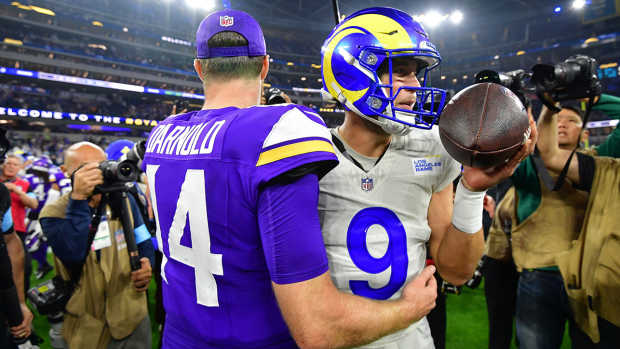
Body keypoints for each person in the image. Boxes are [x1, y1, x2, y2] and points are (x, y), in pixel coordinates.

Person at [143, 9, 440, 349]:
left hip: (180, 339)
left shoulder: (161, 137)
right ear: (265, 65)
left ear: (199, 68)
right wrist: (408, 309)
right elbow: (317, 329)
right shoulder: (279, 131)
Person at [317, 7, 536, 348]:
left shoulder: (431, 148)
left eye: (417, 74)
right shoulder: (308, 153)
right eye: (400, 73)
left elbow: (456, 271)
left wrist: (471, 192)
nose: (416, 86)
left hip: (410, 339)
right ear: (351, 72)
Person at [509, 94, 620, 349]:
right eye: (557, 119)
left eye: (572, 120)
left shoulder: (599, 163)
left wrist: (591, 97)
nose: (562, 123)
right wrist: (546, 107)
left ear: (584, 133)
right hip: (539, 272)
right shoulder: (531, 165)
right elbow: (526, 151)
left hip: (589, 278)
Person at [39, 142, 154, 349]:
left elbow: (142, 237)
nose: (97, 173)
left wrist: (147, 263)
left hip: (131, 312)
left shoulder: (124, 199)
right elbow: (72, 253)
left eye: (100, 165)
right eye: (86, 168)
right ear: (65, 171)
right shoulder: (53, 212)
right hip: (86, 321)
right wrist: (79, 199)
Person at [1, 154, 38, 296]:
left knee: (25, 268)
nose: (10, 166)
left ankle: (20, 304)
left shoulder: (25, 185)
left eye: (15, 164)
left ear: (20, 168)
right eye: (8, 163)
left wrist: (16, 190)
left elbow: (33, 204)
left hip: (17, 232)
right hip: (3, 231)